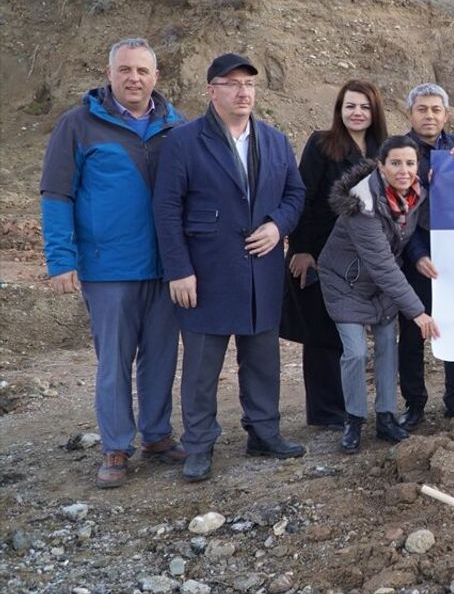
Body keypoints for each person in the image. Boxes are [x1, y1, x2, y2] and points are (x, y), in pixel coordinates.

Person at [152, 53, 307, 483]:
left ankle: (264, 433)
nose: (243, 92)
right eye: (232, 83)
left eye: (249, 84)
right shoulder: (183, 142)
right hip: (206, 274)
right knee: (202, 370)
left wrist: (277, 226)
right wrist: (178, 270)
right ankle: (199, 446)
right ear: (211, 91)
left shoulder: (275, 141)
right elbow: (166, 209)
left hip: (261, 273)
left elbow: (295, 194)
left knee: (262, 361)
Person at [40, 37, 187, 488]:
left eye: (142, 70)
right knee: (114, 363)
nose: (134, 78)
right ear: (109, 74)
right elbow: (56, 194)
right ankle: (116, 446)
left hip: (166, 267)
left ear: (156, 76)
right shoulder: (78, 125)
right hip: (109, 269)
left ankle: (157, 435)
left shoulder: (177, 125)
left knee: (161, 357)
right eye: (125, 69)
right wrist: (61, 259)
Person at [318, 136, 442, 452]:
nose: (404, 170)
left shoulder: (417, 195)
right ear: (381, 166)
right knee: (356, 352)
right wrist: (418, 312)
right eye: (395, 163)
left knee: (388, 346)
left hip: (381, 287)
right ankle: (354, 420)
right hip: (346, 283)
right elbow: (382, 264)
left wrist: (448, 177)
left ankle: (386, 417)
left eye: (410, 163)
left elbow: (435, 224)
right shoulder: (362, 205)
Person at [282, 81, 387, 430]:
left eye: (364, 107)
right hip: (321, 253)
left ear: (375, 112)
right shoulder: (321, 144)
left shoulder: (383, 149)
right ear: (339, 110)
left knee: (353, 335)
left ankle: (354, 407)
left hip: (365, 259)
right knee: (322, 333)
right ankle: (327, 412)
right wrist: (301, 249)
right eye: (350, 106)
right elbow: (303, 197)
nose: (357, 113)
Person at [399, 84, 454, 425]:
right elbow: (397, 214)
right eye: (422, 109)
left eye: (436, 110)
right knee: (413, 333)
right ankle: (414, 405)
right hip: (416, 256)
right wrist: (417, 254)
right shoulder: (397, 152)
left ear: (446, 115)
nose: (429, 116)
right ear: (410, 113)